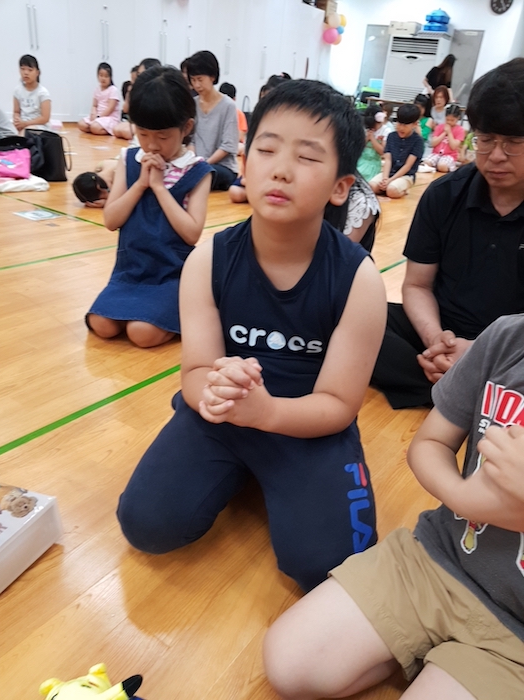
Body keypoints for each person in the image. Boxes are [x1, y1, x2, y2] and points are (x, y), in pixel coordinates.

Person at [116, 79, 387, 592]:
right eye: (266, 150)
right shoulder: (208, 260)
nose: (281, 169)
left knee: (332, 566)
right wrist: (218, 395)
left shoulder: (359, 280)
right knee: (146, 525)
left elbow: (337, 404)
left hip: (307, 425)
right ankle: (240, 469)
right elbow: (196, 373)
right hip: (222, 417)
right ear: (244, 164)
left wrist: (268, 414)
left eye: (307, 157)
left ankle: (262, 475)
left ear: (340, 186)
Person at [263, 313, 524, 700]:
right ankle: (413, 652)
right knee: (290, 662)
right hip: (439, 559)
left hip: (516, 637)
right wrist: (464, 498)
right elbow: (430, 443)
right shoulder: (508, 337)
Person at [371, 58, 524, 409]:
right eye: (486, 139)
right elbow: (417, 285)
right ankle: (477, 394)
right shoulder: (445, 195)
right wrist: (436, 340)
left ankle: (461, 389)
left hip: (514, 348)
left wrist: (481, 354)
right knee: (353, 316)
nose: (495, 156)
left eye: (513, 142)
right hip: (444, 333)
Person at [86, 66, 213, 347]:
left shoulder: (197, 171)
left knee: (142, 333)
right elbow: (111, 220)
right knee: (102, 324)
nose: (152, 145)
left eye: (163, 137)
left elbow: (191, 233)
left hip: (171, 275)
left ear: (186, 128)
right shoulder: (129, 160)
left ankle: (181, 311)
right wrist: (141, 184)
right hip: (130, 272)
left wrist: (159, 188)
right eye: (143, 134)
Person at [186, 50, 239, 190]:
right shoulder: (193, 104)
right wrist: (193, 160)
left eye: (200, 79)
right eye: (193, 80)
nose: (197, 85)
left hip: (222, 167)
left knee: (203, 174)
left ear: (212, 77)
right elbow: (191, 140)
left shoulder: (228, 105)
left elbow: (228, 145)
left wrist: (204, 164)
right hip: (199, 164)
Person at [368, 104, 424, 199]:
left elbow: (407, 166)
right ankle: (388, 186)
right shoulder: (391, 136)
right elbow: (388, 160)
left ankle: (403, 189)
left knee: (391, 190)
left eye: (405, 125)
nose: (401, 128)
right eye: (399, 123)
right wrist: (385, 178)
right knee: (371, 186)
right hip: (389, 173)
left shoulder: (418, 141)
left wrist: (390, 180)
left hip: (406, 175)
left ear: (414, 124)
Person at [113, 59, 161, 140]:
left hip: (149, 126)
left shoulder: (158, 92)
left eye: (140, 75)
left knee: (127, 132)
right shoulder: (137, 90)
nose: (138, 78)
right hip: (136, 124)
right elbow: (125, 109)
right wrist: (129, 93)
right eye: (138, 75)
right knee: (116, 129)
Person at [78, 63, 121, 136]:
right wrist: (93, 114)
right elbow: (94, 105)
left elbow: (110, 108)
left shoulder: (113, 90)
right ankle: (95, 128)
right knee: (81, 124)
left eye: (106, 76)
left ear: (110, 77)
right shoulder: (97, 89)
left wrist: (99, 117)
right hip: (97, 117)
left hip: (109, 118)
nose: (103, 78)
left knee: (94, 127)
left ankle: (107, 130)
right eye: (101, 75)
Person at [13, 55, 51, 133]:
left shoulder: (43, 93)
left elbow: (45, 118)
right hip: (22, 124)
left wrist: (25, 124)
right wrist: (17, 121)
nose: (25, 73)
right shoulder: (17, 90)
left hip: (38, 125)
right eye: (22, 69)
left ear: (37, 73)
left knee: (26, 132)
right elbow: (16, 111)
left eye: (30, 70)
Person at [423, 104, 465, 173]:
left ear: (458, 118)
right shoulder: (439, 127)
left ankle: (449, 168)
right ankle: (435, 167)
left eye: (452, 120)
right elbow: (433, 143)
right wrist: (444, 133)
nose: (449, 122)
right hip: (436, 153)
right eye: (447, 119)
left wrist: (449, 132)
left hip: (449, 155)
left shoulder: (460, 130)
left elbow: (453, 147)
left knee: (442, 166)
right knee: (426, 163)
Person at [356, 105, 387, 182]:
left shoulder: (386, 130)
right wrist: (366, 138)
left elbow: (382, 151)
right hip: (359, 161)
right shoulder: (363, 128)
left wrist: (372, 139)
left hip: (373, 164)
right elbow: (357, 147)